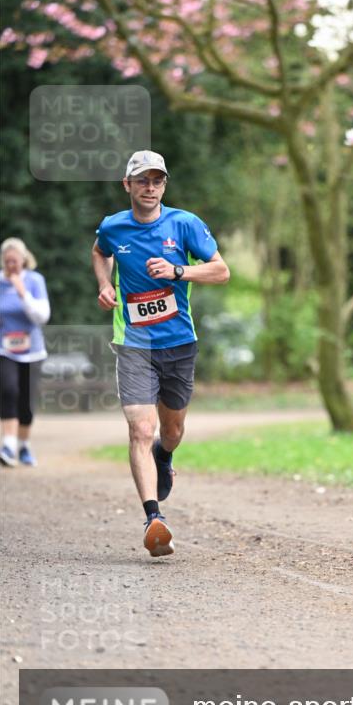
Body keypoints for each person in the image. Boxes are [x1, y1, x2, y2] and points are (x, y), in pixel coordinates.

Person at [92, 150, 230, 558]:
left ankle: (164, 457)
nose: (150, 187)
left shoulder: (184, 224)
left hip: (178, 343)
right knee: (140, 428)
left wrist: (178, 272)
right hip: (134, 342)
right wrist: (104, 285)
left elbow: (222, 271)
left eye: (157, 180)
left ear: (164, 186)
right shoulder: (113, 227)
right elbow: (100, 251)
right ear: (127, 185)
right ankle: (154, 517)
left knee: (170, 432)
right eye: (142, 180)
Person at [0, 237, 51, 466]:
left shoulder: (34, 280)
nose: (11, 265)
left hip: (32, 351)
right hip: (4, 349)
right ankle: (8, 445)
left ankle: (24, 445)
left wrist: (23, 293)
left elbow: (42, 316)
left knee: (27, 403)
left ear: (23, 259)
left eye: (15, 261)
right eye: (7, 261)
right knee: (8, 390)